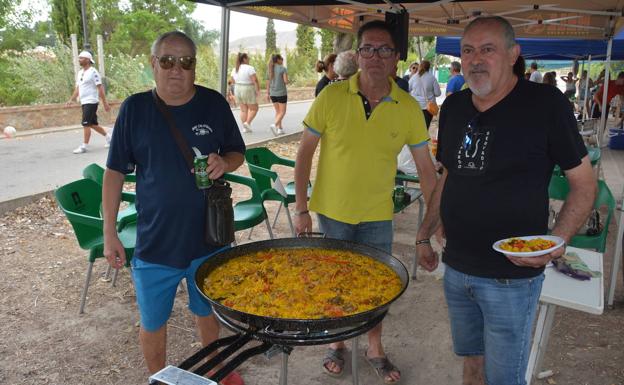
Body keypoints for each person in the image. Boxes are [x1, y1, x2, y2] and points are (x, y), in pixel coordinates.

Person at [415, 16, 595, 385]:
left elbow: (583, 185)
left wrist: (554, 244)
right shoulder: (454, 107)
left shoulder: (546, 105)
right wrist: (423, 233)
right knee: (471, 362)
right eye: (468, 51)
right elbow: (448, 174)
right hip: (458, 266)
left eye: (487, 49)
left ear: (513, 54)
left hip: (511, 277)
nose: (475, 60)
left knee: (504, 378)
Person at [293, 20, 437, 384]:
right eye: (368, 49)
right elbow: (304, 154)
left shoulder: (407, 107)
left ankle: (375, 347)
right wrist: (300, 208)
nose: (375, 56)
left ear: (396, 59)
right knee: (336, 280)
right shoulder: (331, 96)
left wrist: (433, 223)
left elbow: (425, 169)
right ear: (357, 55)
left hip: (377, 214)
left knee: (378, 285)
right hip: (332, 211)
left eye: (384, 50)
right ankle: (338, 344)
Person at [102, 31, 246, 385]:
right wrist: (110, 234)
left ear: (195, 66)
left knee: (208, 311)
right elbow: (114, 172)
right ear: (153, 64)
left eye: (186, 62)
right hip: (156, 243)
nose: (176, 69)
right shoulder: (135, 109)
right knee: (153, 322)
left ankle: (217, 370)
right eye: (167, 61)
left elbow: (237, 152)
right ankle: (159, 379)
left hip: (210, 238)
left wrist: (224, 164)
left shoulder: (213, 103)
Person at [66, 50, 111, 154]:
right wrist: (71, 99)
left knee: (86, 123)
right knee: (92, 124)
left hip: (91, 101)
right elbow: (78, 88)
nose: (79, 60)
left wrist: (105, 103)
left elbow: (100, 88)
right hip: (84, 101)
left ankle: (84, 146)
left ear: (87, 59)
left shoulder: (93, 72)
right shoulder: (80, 73)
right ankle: (109, 137)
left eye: (81, 58)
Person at [231, 52, 260, 133]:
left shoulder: (235, 68)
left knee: (243, 110)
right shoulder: (249, 68)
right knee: (254, 108)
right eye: (248, 58)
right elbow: (255, 80)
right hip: (247, 88)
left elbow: (232, 81)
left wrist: (231, 93)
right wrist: (257, 90)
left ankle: (245, 128)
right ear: (244, 59)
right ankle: (247, 123)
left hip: (237, 88)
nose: (249, 59)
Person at [408, 60, 441, 128]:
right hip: (428, 108)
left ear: (420, 66)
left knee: (416, 127)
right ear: (429, 67)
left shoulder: (414, 77)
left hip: (415, 106)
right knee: (425, 128)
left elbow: (408, 89)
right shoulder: (432, 78)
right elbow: (438, 93)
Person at [266, 53, 288, 136]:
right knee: (282, 112)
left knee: (278, 111)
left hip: (272, 94)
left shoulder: (269, 69)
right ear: (278, 60)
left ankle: (280, 129)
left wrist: (267, 94)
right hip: (281, 93)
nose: (282, 61)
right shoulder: (283, 69)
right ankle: (274, 125)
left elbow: (267, 82)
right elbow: (286, 81)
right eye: (281, 59)